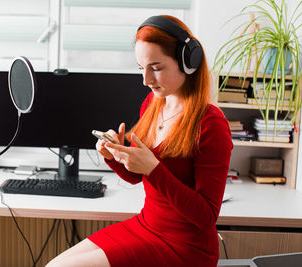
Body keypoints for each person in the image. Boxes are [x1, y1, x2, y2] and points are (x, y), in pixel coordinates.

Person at [46, 15, 233, 267]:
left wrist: (154, 169)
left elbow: (206, 216)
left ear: (188, 62)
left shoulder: (211, 124)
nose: (146, 80)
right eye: (141, 68)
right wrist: (115, 157)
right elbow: (137, 176)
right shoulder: (153, 104)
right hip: (146, 225)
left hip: (186, 247)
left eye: (155, 68)